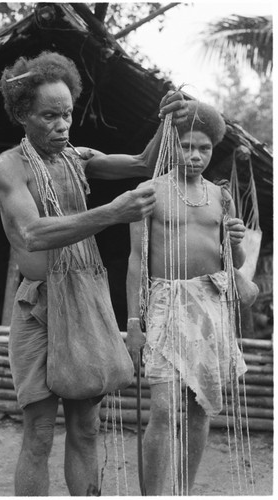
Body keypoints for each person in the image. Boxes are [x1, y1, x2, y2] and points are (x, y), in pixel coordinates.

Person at [0, 50, 188, 496]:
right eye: (49, 116)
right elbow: (32, 234)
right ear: (22, 113)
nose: (62, 125)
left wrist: (167, 122)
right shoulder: (9, 167)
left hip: (87, 300)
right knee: (40, 433)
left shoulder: (77, 158)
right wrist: (112, 212)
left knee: (87, 429)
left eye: (67, 114)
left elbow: (141, 164)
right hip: (40, 309)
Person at [126, 100, 247, 495]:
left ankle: (184, 492)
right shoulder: (148, 192)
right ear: (171, 145)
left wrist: (238, 243)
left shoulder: (220, 198)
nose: (195, 155)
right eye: (186, 145)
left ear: (214, 148)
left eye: (204, 148)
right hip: (165, 304)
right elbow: (134, 261)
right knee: (162, 410)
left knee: (200, 409)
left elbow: (233, 263)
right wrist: (133, 324)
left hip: (211, 306)